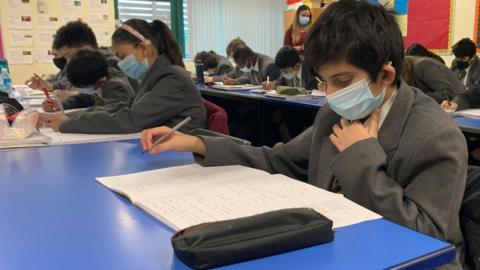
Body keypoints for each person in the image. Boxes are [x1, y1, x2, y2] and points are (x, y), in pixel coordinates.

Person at [140, 1, 467, 268]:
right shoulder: (334, 114)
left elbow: (429, 239)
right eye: (324, 82)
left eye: (342, 81)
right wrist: (197, 141)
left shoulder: (434, 135)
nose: (331, 95)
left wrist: (361, 159)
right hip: (337, 249)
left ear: (385, 74)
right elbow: (277, 159)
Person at [36, 19, 206, 134]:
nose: (121, 64)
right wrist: (69, 117)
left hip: (183, 158)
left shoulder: (172, 79)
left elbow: (131, 120)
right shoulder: (154, 77)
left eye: (123, 57)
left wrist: (68, 124)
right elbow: (123, 107)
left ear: (144, 49)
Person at [42, 49, 135, 112]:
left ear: (100, 81)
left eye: (82, 87)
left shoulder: (117, 87)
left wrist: (66, 117)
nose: (79, 90)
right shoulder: (98, 79)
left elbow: (103, 112)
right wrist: (60, 105)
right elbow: (86, 99)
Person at [401, 56, 465, 103]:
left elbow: (447, 93)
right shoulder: (411, 69)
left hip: (460, 108)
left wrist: (414, 97)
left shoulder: (424, 65)